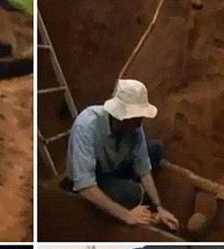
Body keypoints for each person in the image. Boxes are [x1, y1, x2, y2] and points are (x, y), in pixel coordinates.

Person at [66, 79, 179, 230]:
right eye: (136, 117)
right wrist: (127, 215)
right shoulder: (87, 125)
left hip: (115, 167)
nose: (140, 123)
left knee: (155, 149)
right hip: (95, 178)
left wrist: (159, 206)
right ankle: (132, 196)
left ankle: (133, 193)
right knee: (132, 193)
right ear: (120, 116)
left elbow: (144, 169)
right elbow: (85, 186)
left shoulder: (135, 129)